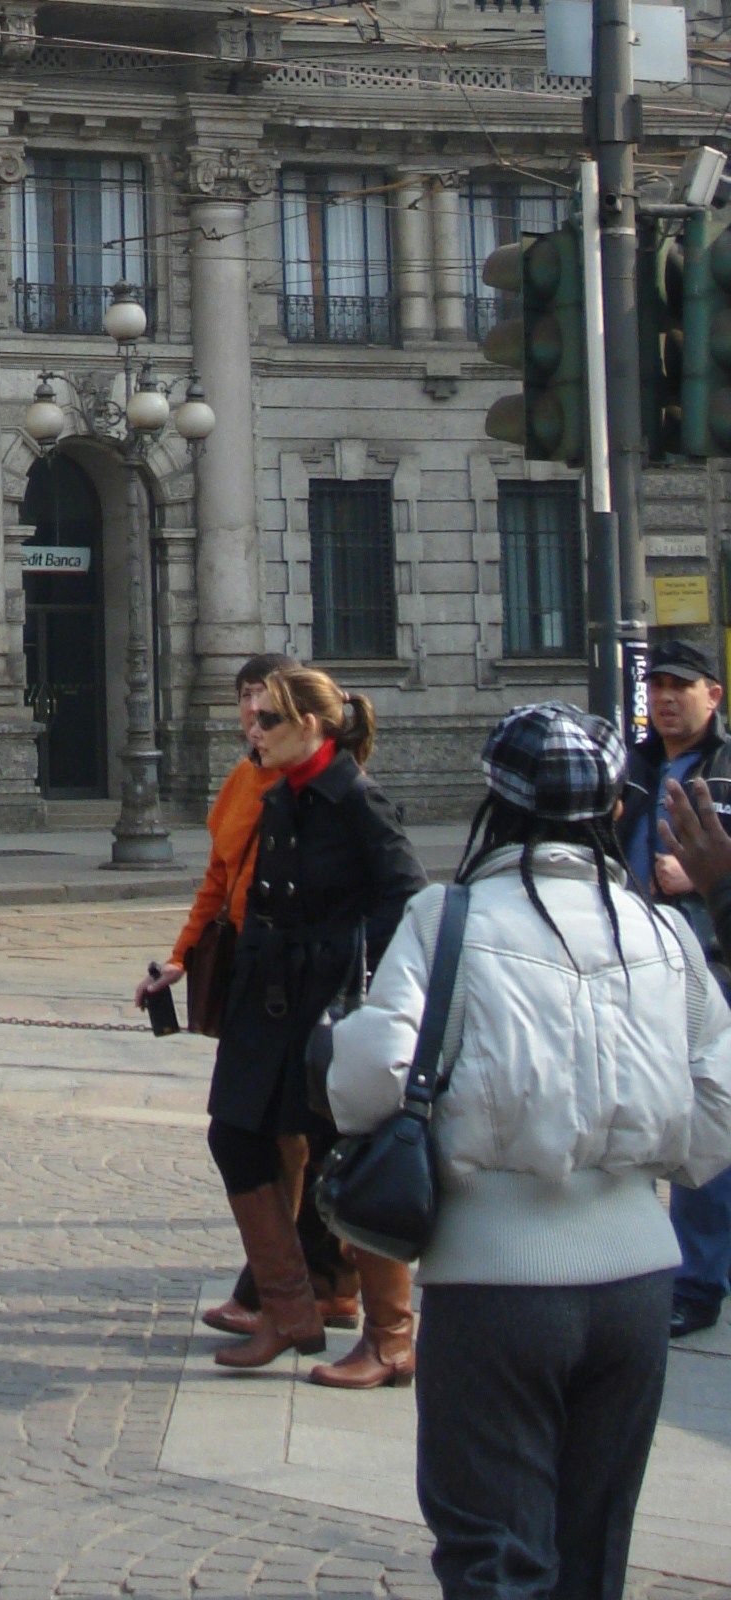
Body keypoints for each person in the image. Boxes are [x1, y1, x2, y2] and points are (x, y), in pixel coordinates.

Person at [328, 702, 731, 1600]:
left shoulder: (448, 918)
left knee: (495, 1556)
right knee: (593, 1556)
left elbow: (367, 1079)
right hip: (636, 1283)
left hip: (494, 1282)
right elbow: (719, 1108)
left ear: (496, 804)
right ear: (610, 812)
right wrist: (645, 1167)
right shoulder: (662, 931)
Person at [204, 662, 424, 1377]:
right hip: (268, 1001)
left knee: (346, 1152)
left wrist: (347, 968)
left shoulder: (356, 798)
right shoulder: (281, 794)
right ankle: (287, 1308)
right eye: (253, 715)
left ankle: (390, 1336)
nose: (254, 728)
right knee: (235, 1135)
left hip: (329, 1008)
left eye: (268, 718)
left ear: (309, 726)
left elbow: (408, 900)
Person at [137, 652, 357, 1341]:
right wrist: (181, 958)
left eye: (265, 704)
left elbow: (385, 901)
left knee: (298, 1135)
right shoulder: (245, 781)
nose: (251, 717)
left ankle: (310, 1291)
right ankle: (300, 1289)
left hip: (306, 988)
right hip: (253, 971)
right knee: (263, 1133)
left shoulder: (334, 794)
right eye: (245, 701)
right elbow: (219, 878)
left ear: (303, 717)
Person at [615, 629, 731, 1337]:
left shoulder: (726, 767)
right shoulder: (633, 765)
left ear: (712, 695)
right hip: (639, 963)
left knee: (704, 1118)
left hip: (713, 965)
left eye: (679, 687)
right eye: (656, 686)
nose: (663, 699)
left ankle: (699, 1280)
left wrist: (704, 877)